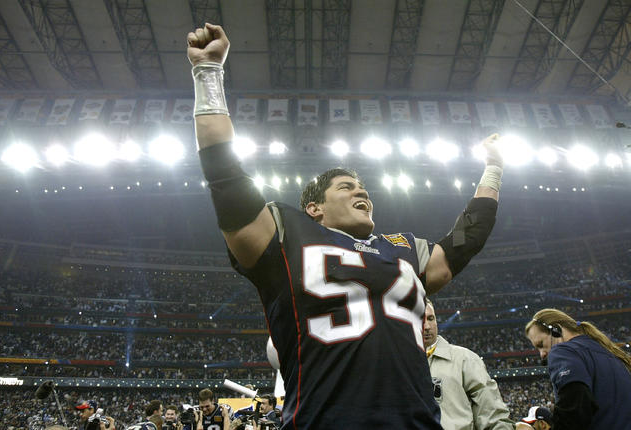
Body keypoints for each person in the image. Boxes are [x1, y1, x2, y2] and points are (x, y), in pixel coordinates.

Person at [188, 22, 503, 429]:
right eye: (347, 186)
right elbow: (226, 178)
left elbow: (466, 238)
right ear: (313, 207)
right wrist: (208, 72)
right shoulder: (287, 231)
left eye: (364, 186)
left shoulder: (404, 248)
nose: (363, 192)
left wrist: (494, 167)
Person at [525, 308, 631, 430]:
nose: (542, 354)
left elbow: (574, 408)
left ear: (556, 330)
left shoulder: (562, 351)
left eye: (541, 344)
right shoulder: (611, 354)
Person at [424, 299, 514, 429]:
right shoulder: (394, 364)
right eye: (420, 320)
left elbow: (493, 416)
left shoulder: (464, 359)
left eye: (431, 318)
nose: (427, 326)